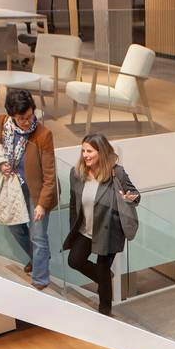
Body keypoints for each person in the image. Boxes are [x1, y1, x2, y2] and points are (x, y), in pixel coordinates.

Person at [64, 133, 140, 316]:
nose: (85, 155)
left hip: (109, 230)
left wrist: (131, 198)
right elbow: (73, 203)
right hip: (86, 230)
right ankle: (105, 279)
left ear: (101, 152)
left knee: (102, 267)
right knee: (74, 260)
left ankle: (105, 312)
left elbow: (135, 195)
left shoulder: (116, 172)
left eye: (89, 151)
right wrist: (72, 229)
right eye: (83, 151)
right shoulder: (76, 173)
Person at [0, 89, 57, 290]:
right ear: (11, 116)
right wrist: (1, 165)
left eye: (30, 115)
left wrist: (42, 204)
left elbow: (49, 175)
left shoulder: (43, 135)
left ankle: (40, 279)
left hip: (39, 190)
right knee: (14, 226)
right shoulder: (4, 124)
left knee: (38, 234)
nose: (27, 121)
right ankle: (38, 256)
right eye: (21, 118)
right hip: (15, 187)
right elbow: (0, 150)